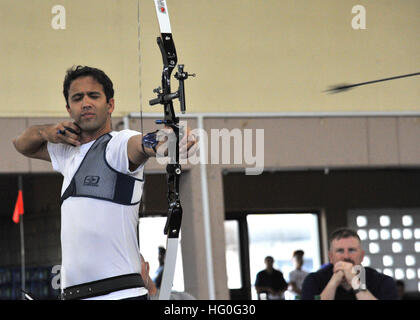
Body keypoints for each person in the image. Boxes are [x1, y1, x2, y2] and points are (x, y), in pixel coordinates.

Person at [12, 65, 197, 300]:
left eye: (94, 96)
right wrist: (46, 131)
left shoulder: (120, 144)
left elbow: (145, 143)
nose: (86, 103)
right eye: (78, 98)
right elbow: (20, 144)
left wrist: (171, 140)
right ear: (69, 109)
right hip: (75, 295)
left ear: (110, 105)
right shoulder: (67, 152)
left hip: (119, 294)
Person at [301, 228, 398, 300]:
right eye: (340, 251)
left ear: (362, 256)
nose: (346, 256)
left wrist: (354, 280)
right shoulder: (313, 280)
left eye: (352, 250)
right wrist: (333, 282)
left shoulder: (382, 281)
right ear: (330, 257)